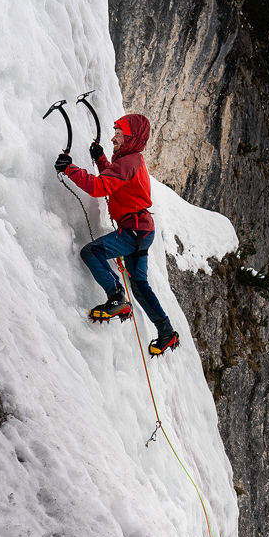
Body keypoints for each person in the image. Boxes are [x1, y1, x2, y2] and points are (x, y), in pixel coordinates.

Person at [54, 114, 179, 356]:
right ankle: (166, 332)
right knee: (140, 285)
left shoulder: (128, 162)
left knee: (92, 251)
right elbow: (114, 180)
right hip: (142, 229)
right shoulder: (131, 160)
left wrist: (69, 169)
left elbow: (100, 186)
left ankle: (116, 296)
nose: (113, 138)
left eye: (119, 134)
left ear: (130, 137)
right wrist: (100, 158)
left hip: (133, 231)